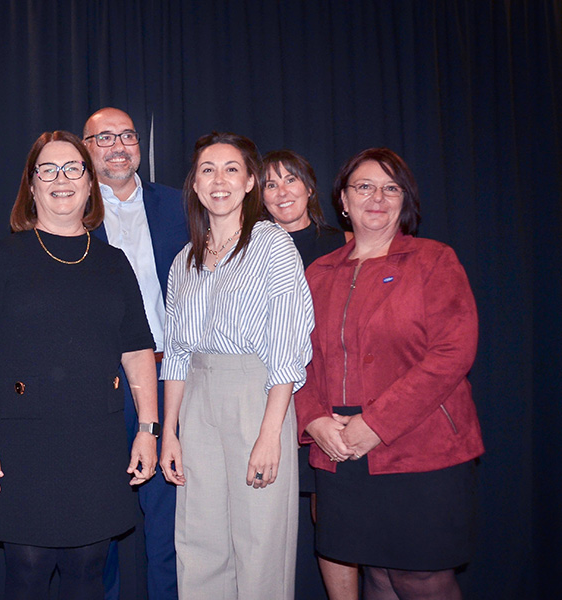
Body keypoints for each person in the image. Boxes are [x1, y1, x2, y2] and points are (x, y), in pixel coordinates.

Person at [0, 130, 160, 599]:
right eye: (47, 170)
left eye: (73, 168)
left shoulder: (114, 263)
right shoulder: (3, 256)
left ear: (90, 184)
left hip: (96, 443)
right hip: (21, 443)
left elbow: (137, 352)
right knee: (27, 576)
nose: (61, 179)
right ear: (31, 187)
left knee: (87, 574)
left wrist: (148, 430)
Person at [295, 148, 484, 599]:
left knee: (422, 578)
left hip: (422, 449)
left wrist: (376, 426)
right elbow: (296, 355)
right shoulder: (317, 273)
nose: (377, 197)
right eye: (364, 186)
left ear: (406, 200)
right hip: (340, 448)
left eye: (391, 187)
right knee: (376, 574)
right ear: (343, 198)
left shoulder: (434, 260)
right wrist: (314, 418)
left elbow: (452, 352)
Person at [160, 132, 314, 600]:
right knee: (199, 540)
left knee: (260, 542)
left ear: (250, 182)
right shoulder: (183, 261)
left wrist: (270, 434)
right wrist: (170, 430)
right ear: (195, 183)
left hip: (257, 396)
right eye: (208, 169)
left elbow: (288, 345)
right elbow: (177, 354)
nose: (219, 179)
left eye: (232, 169)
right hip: (197, 401)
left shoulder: (274, 246)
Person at [83, 107, 188, 600]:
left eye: (127, 135)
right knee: (97, 521)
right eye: (104, 137)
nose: (118, 145)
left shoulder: (181, 207)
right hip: (98, 387)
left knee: (168, 524)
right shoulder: (71, 211)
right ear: (86, 148)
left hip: (171, 379)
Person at [260, 149, 357, 599]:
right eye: (271, 184)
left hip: (327, 395)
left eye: (291, 181)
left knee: (333, 516)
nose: (282, 192)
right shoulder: (249, 249)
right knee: (262, 518)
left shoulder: (342, 245)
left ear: (310, 188)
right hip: (267, 397)